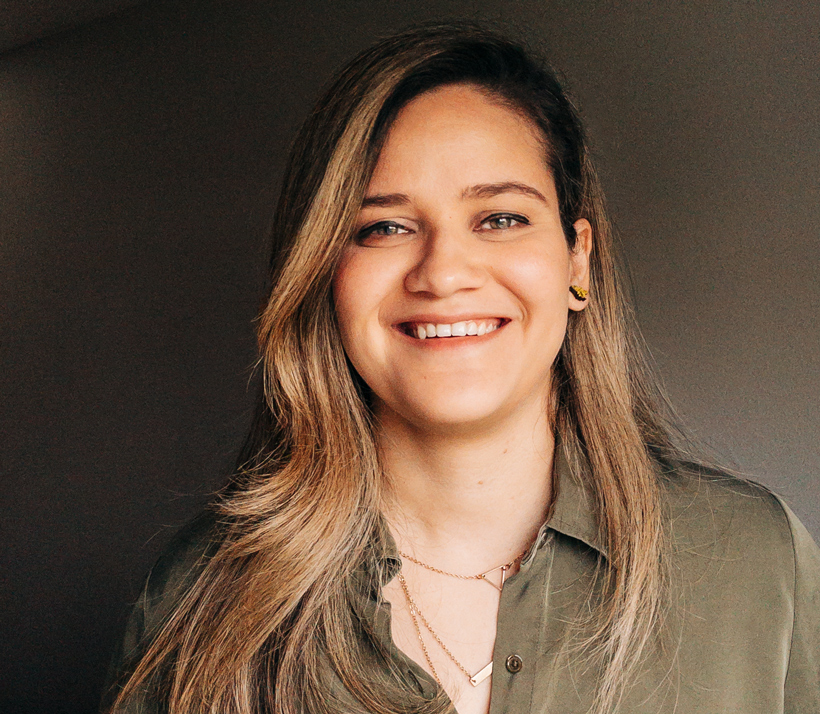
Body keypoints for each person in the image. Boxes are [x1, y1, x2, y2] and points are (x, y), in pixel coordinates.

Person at [103, 22, 820, 714]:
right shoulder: (200, 599)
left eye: (500, 218)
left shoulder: (756, 562)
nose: (444, 273)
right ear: (324, 271)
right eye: (384, 227)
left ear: (578, 259)